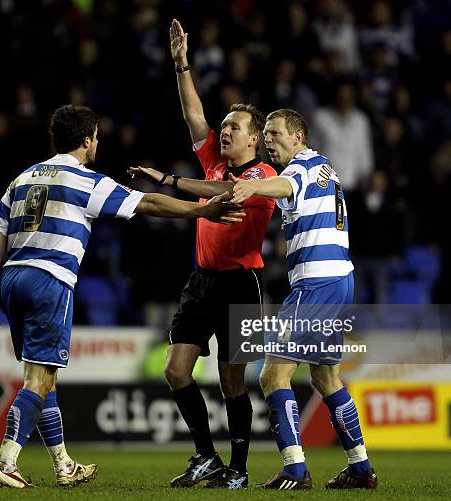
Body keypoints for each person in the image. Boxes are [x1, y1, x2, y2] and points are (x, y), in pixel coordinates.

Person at [0, 104, 243, 489]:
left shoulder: (24, 177)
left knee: (42, 376)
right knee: (38, 380)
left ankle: (63, 465)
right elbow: (149, 202)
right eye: (97, 137)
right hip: (49, 280)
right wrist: (203, 210)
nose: (98, 143)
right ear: (87, 140)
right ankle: (5, 461)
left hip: (11, 279)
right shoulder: (84, 179)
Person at [130, 19, 276, 490]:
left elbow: (224, 193)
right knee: (176, 371)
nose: (225, 131)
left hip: (242, 284)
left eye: (235, 127)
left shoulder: (264, 175)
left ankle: (239, 468)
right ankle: (205, 458)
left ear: (254, 139)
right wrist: (181, 64)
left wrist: (171, 181)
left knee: (232, 382)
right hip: (203, 281)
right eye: (226, 126)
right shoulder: (213, 157)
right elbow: (194, 117)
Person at [230, 108, 378, 490]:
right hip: (340, 280)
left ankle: (295, 469)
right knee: (325, 376)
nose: (269, 140)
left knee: (272, 374)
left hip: (315, 284)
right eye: (266, 136)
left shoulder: (304, 165)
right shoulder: (323, 168)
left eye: (276, 134)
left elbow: (285, 186)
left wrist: (254, 187)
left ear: (298, 137)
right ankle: (360, 467)